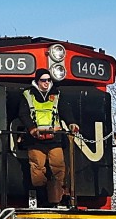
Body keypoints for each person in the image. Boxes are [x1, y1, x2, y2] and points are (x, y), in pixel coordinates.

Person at [17, 68, 77, 207]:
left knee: (59, 166)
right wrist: (32, 129)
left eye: (49, 80)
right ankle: (42, 196)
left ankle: (59, 195)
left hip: (55, 138)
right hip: (34, 139)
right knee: (37, 167)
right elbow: (23, 113)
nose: (46, 83)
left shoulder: (57, 94)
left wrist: (71, 122)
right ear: (37, 81)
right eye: (43, 80)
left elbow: (64, 110)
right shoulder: (27, 94)